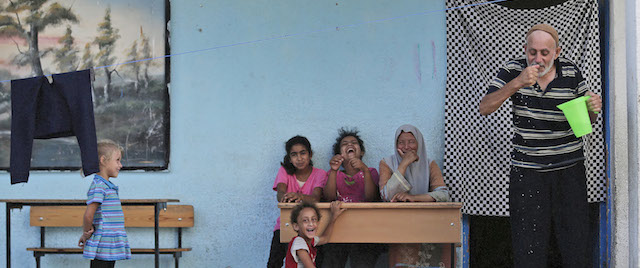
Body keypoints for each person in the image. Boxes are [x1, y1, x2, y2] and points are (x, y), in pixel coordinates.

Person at [478, 24, 602, 268]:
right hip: (527, 171)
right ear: (525, 50)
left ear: (557, 52)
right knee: (528, 246)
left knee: (575, 243)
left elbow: (586, 123)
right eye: (532, 52)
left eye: (545, 53)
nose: (538, 58)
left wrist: (591, 109)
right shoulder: (512, 69)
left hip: (569, 170)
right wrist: (517, 83)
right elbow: (485, 107)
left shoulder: (571, 73)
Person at [378, 124, 450, 267]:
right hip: (398, 226)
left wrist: (414, 198)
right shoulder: (387, 163)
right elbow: (386, 195)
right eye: (401, 142)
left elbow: (443, 194)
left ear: (419, 143)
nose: (407, 146)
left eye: (411, 141)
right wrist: (403, 164)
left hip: (426, 225)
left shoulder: (430, 164)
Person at [322, 127, 382, 267]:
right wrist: (333, 170)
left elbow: (371, 197)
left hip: (364, 228)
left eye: (354, 143)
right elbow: (329, 197)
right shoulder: (333, 174)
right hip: (337, 227)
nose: (349, 144)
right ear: (339, 154)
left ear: (361, 152)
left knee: (363, 262)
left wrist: (365, 170)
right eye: (344, 144)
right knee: (332, 260)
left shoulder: (371, 171)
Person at [267, 135, 328, 268]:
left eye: (303, 153)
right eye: (294, 155)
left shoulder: (320, 174)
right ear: (289, 158)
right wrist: (285, 197)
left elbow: (316, 197)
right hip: (285, 224)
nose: (299, 158)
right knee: (274, 263)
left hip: (309, 227)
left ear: (310, 154)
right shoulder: (284, 171)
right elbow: (280, 194)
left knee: (313, 262)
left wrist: (298, 197)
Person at [78, 140, 130, 268]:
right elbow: (88, 215)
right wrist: (86, 233)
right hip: (103, 243)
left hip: (110, 243)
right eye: (117, 160)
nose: (120, 165)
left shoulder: (107, 187)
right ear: (103, 160)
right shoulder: (99, 186)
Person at [285, 201, 345, 268]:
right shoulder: (299, 242)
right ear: (296, 226)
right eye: (305, 220)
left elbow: (325, 238)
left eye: (313, 219)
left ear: (318, 223)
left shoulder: (311, 240)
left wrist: (333, 217)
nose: (311, 224)